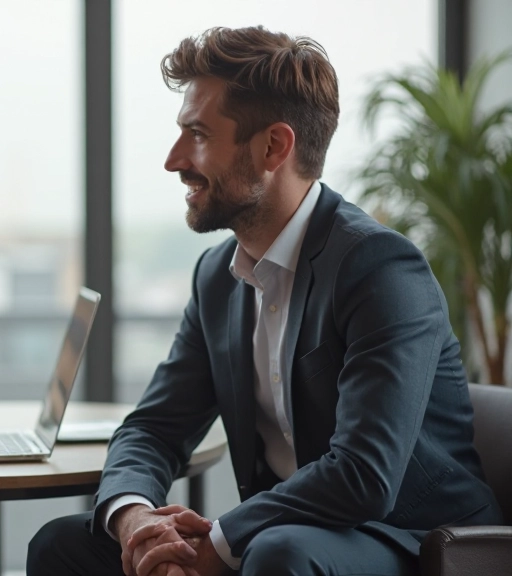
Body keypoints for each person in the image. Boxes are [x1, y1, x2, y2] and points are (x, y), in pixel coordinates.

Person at [28, 26, 501, 576]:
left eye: (198, 134)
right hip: (282, 535)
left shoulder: (380, 269)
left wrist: (220, 541)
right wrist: (138, 522)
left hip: (410, 539)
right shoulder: (217, 277)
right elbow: (153, 428)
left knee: (278, 555)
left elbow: (363, 475)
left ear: (274, 146)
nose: (174, 159)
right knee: (63, 544)